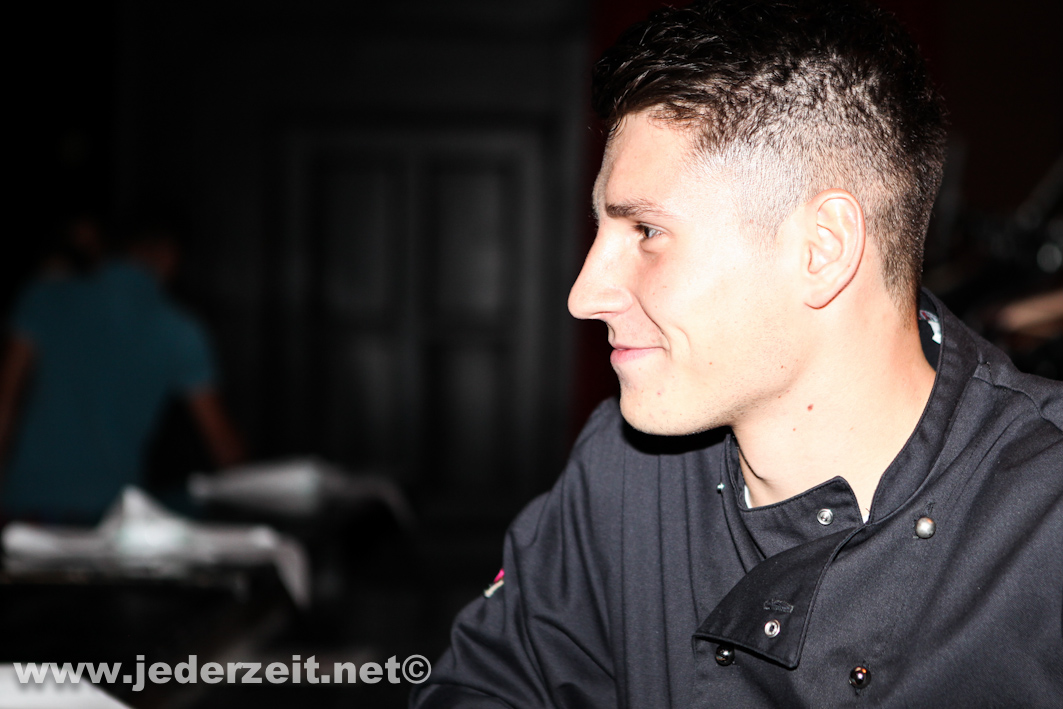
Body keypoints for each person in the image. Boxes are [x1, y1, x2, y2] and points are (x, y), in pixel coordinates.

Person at [410, 0, 1063, 706]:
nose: (583, 295)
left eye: (646, 232)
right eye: (602, 229)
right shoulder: (624, 471)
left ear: (822, 249)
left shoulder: (1044, 518)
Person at [0, 223, 245, 523]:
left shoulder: (43, 297)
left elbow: (5, 405)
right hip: (108, 515)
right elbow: (223, 446)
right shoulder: (179, 329)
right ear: (169, 254)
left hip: (25, 505)